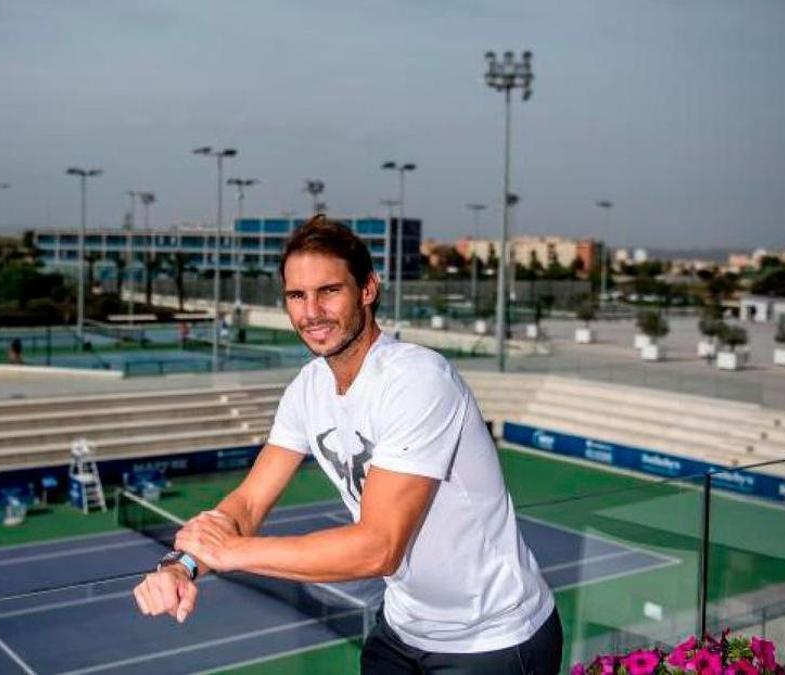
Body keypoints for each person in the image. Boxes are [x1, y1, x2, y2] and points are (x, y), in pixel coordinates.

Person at [132, 216, 560, 674]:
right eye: (297, 295)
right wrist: (183, 564)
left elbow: (378, 548)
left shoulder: (417, 379)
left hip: (492, 642)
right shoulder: (307, 388)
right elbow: (249, 502)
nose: (311, 311)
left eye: (329, 291)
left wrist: (231, 553)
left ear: (368, 290)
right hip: (403, 628)